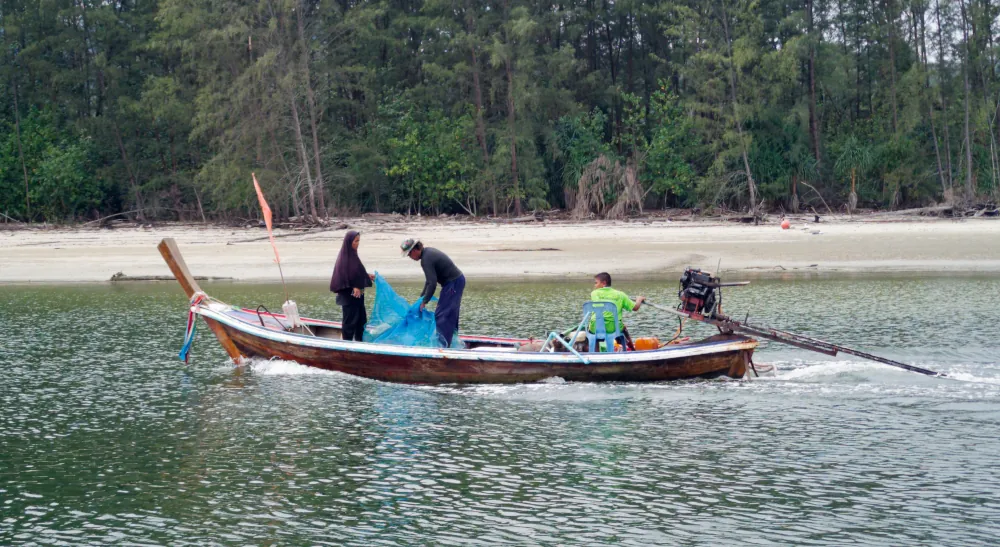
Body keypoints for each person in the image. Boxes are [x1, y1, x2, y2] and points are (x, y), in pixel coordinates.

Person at [400, 238, 465, 347]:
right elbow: (429, 281)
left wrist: (424, 301)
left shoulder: (426, 259)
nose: (410, 257)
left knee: (443, 314)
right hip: (454, 282)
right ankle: (449, 341)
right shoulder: (427, 253)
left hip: (453, 283)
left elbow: (432, 283)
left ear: (414, 250)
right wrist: (422, 298)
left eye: (409, 255)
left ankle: (442, 345)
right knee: (450, 313)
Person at [330, 231, 375, 341]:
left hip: (358, 297)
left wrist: (367, 276)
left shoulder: (354, 257)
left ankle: (360, 344)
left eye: (358, 241)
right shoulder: (344, 258)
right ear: (349, 242)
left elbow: (357, 273)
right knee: (350, 322)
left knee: (361, 321)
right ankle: (347, 345)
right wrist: (354, 286)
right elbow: (343, 275)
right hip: (348, 296)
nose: (357, 244)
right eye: (355, 241)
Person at [590, 272, 645, 350]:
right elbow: (635, 307)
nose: (595, 285)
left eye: (596, 283)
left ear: (604, 283)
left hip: (595, 327)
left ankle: (595, 352)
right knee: (621, 327)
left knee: (597, 327)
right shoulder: (621, 295)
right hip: (613, 328)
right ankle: (632, 349)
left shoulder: (594, 293)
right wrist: (639, 299)